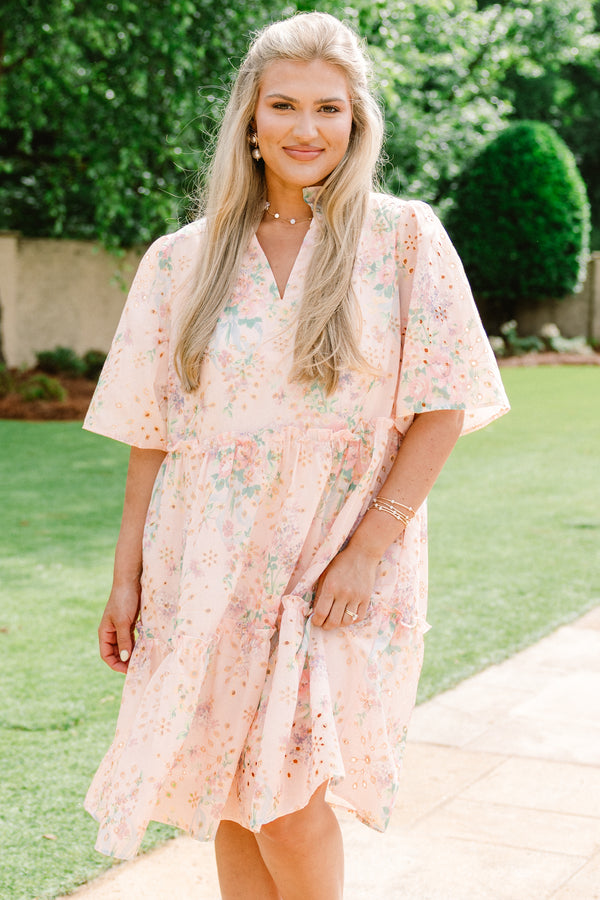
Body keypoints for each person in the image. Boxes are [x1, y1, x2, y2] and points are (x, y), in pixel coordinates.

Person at [83, 11, 509, 899]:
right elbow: (153, 437)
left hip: (338, 564)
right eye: (284, 105)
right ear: (250, 116)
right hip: (205, 564)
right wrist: (127, 580)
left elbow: (444, 403)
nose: (306, 128)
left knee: (289, 795)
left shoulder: (403, 239)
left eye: (329, 108)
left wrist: (369, 550)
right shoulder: (181, 261)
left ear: (358, 121)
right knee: (233, 794)